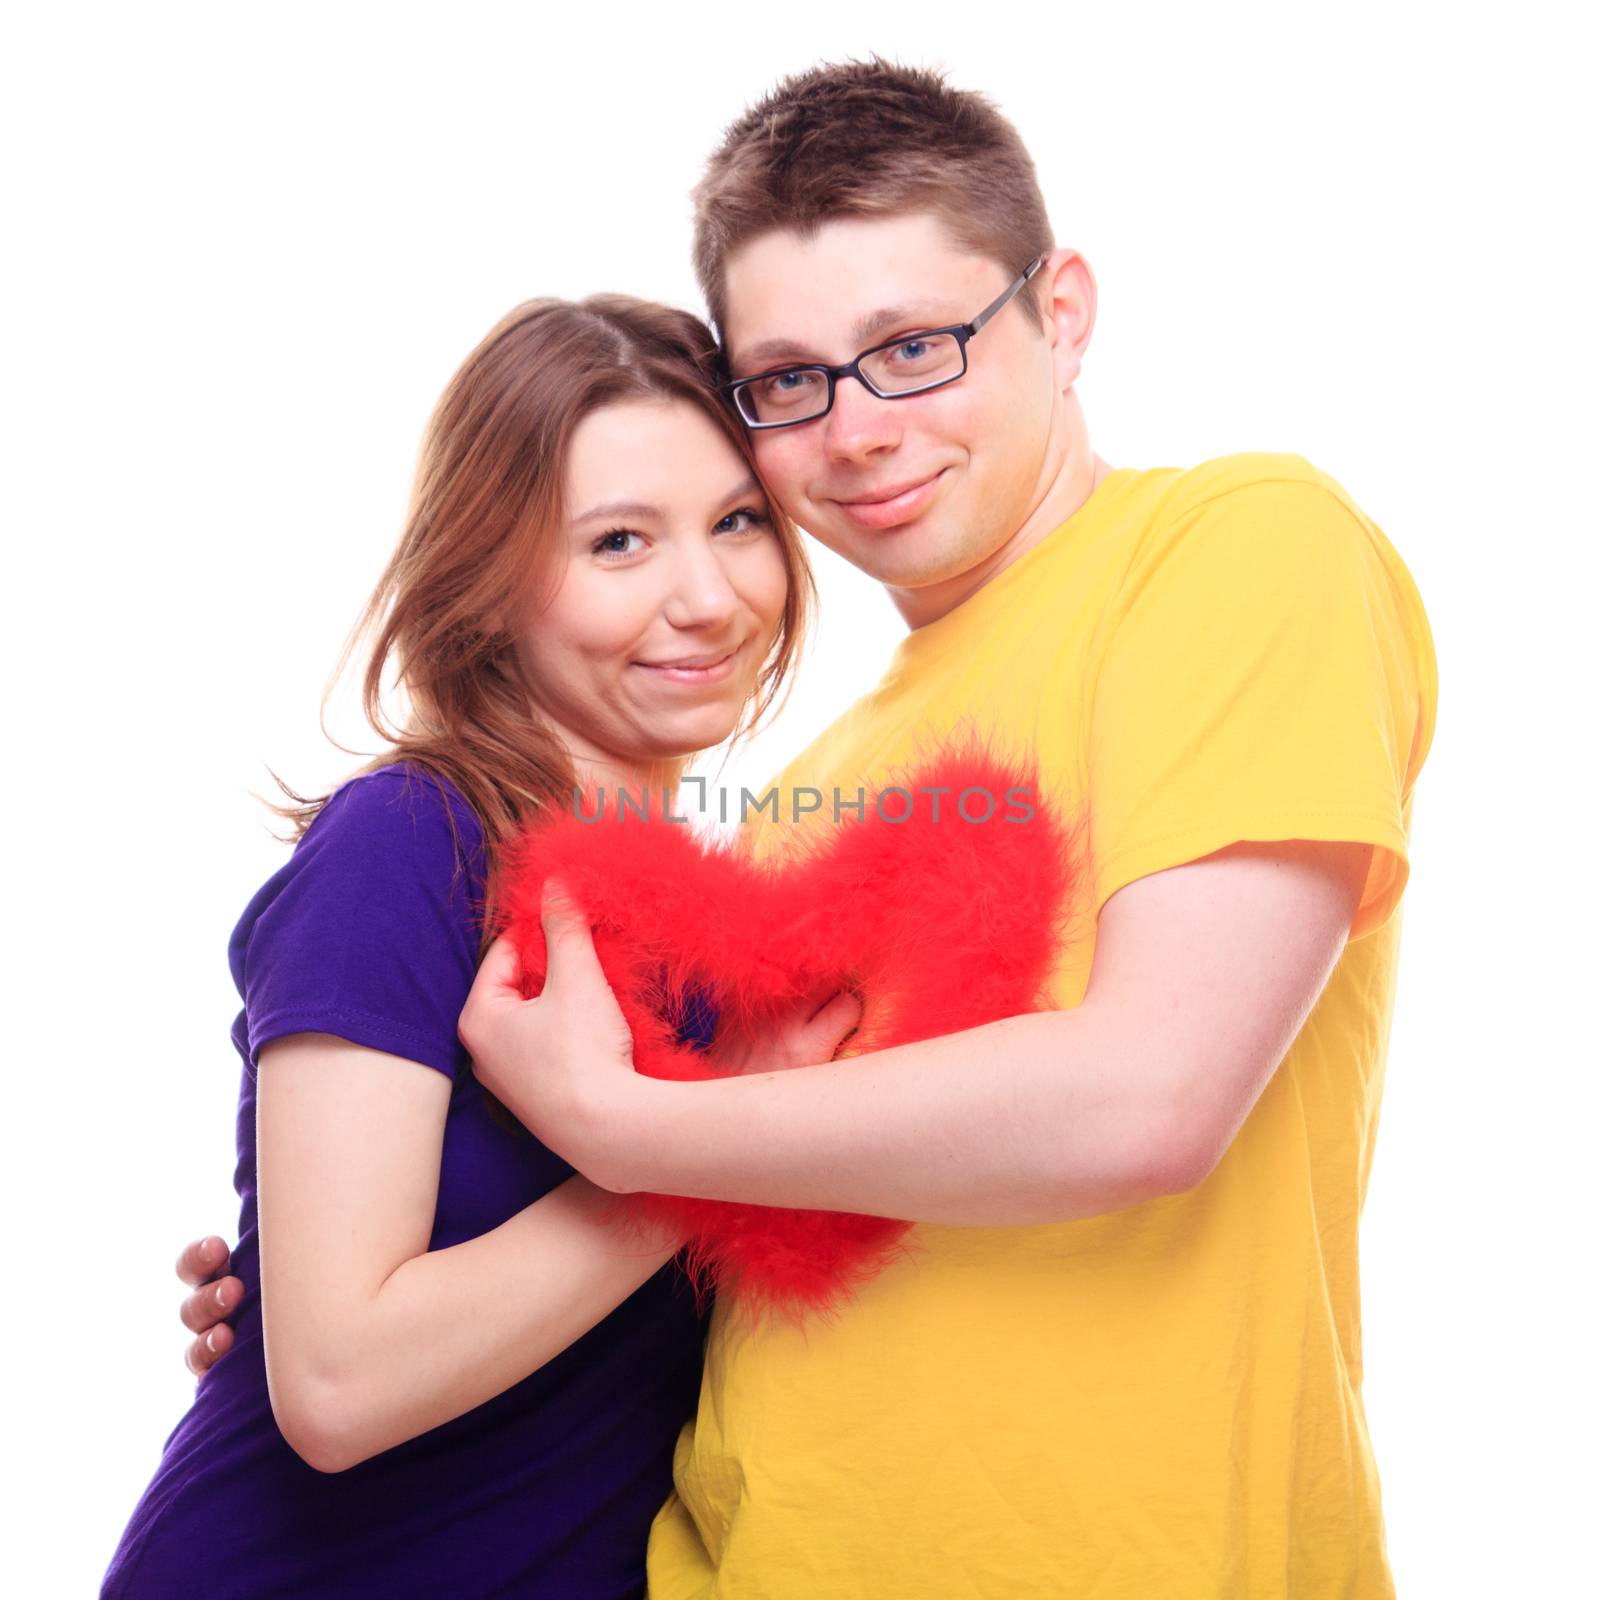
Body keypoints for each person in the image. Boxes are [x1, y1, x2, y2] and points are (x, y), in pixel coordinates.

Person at [181, 59, 1437, 1600]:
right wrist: (315, 1284)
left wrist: (629, 1134)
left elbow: (1151, 1098)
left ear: (1063, 314)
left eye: (912, 348)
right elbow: (754, 1233)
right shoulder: (790, 801)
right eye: (789, 380)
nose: (855, 430)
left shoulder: (1234, 545)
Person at [101, 294, 861, 1600]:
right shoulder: (413, 839)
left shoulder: (728, 923)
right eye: (619, 541)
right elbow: (339, 1387)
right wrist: (717, 1143)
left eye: (738, 521)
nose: (709, 596)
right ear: (492, 577)